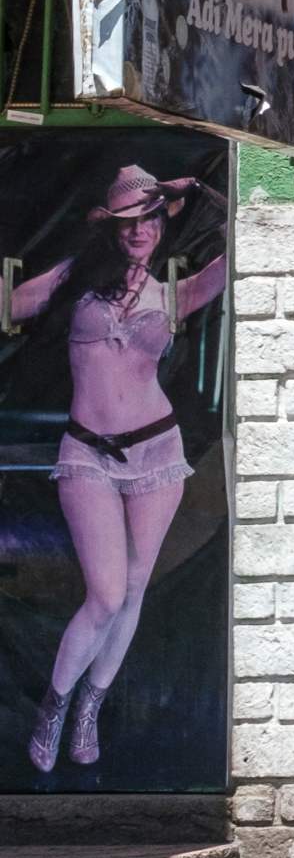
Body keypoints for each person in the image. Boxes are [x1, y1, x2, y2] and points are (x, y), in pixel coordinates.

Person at [12, 160, 221, 777]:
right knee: (104, 592)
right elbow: (14, 302)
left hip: (158, 450)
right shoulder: (77, 278)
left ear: (162, 224)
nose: (139, 231)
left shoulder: (173, 293)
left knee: (132, 588)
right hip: (89, 452)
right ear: (111, 228)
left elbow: (247, 245)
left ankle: (89, 711)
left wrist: (200, 192)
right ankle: (53, 707)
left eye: (150, 219)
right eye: (128, 221)